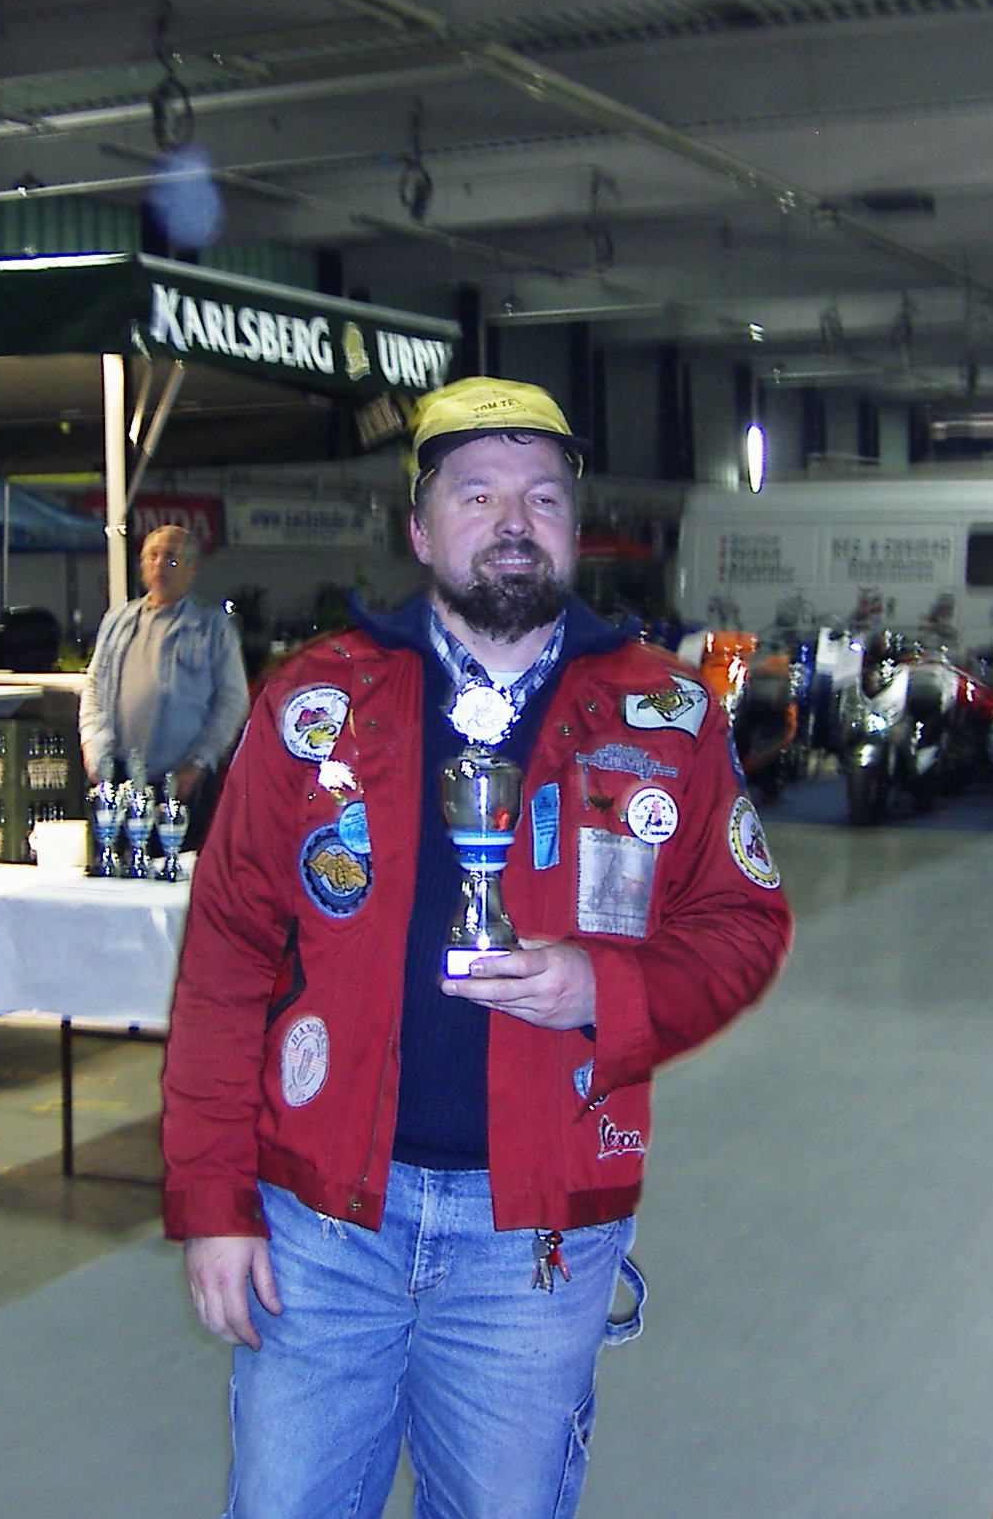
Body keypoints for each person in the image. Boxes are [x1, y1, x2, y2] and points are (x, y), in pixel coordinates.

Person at [161, 376, 792, 1519]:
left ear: (574, 528)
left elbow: (743, 925)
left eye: (543, 498)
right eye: (478, 494)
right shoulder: (313, 704)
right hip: (321, 1228)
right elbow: (224, 961)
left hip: (535, 1238)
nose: (513, 521)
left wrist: (605, 985)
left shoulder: (667, 718)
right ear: (419, 529)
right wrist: (213, 1198)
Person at [77, 524, 249, 824]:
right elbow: (94, 687)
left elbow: (233, 702)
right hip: (118, 777)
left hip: (180, 781)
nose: (159, 565)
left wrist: (198, 764)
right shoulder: (117, 621)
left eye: (171, 558)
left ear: (192, 569)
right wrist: (92, 749)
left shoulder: (213, 628)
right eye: (152, 556)